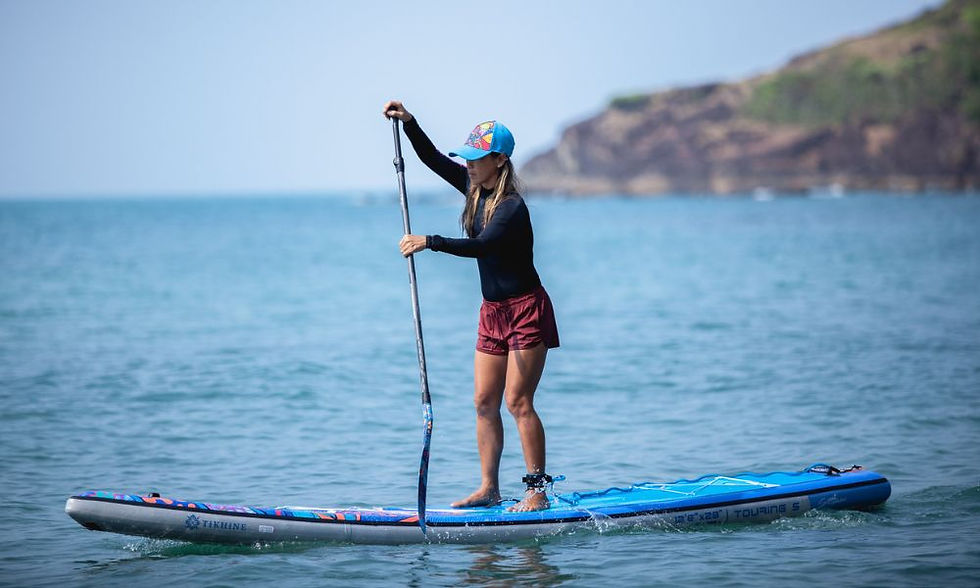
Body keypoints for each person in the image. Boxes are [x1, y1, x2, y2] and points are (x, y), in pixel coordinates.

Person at [383, 100, 560, 512]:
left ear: (500, 160)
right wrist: (410, 122)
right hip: (492, 312)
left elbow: (483, 246)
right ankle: (489, 488)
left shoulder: (512, 208)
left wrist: (431, 241)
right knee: (483, 401)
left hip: (526, 310)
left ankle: (536, 490)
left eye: (478, 159)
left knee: (518, 401)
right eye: (468, 159)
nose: (470, 166)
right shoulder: (472, 188)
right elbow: (428, 158)